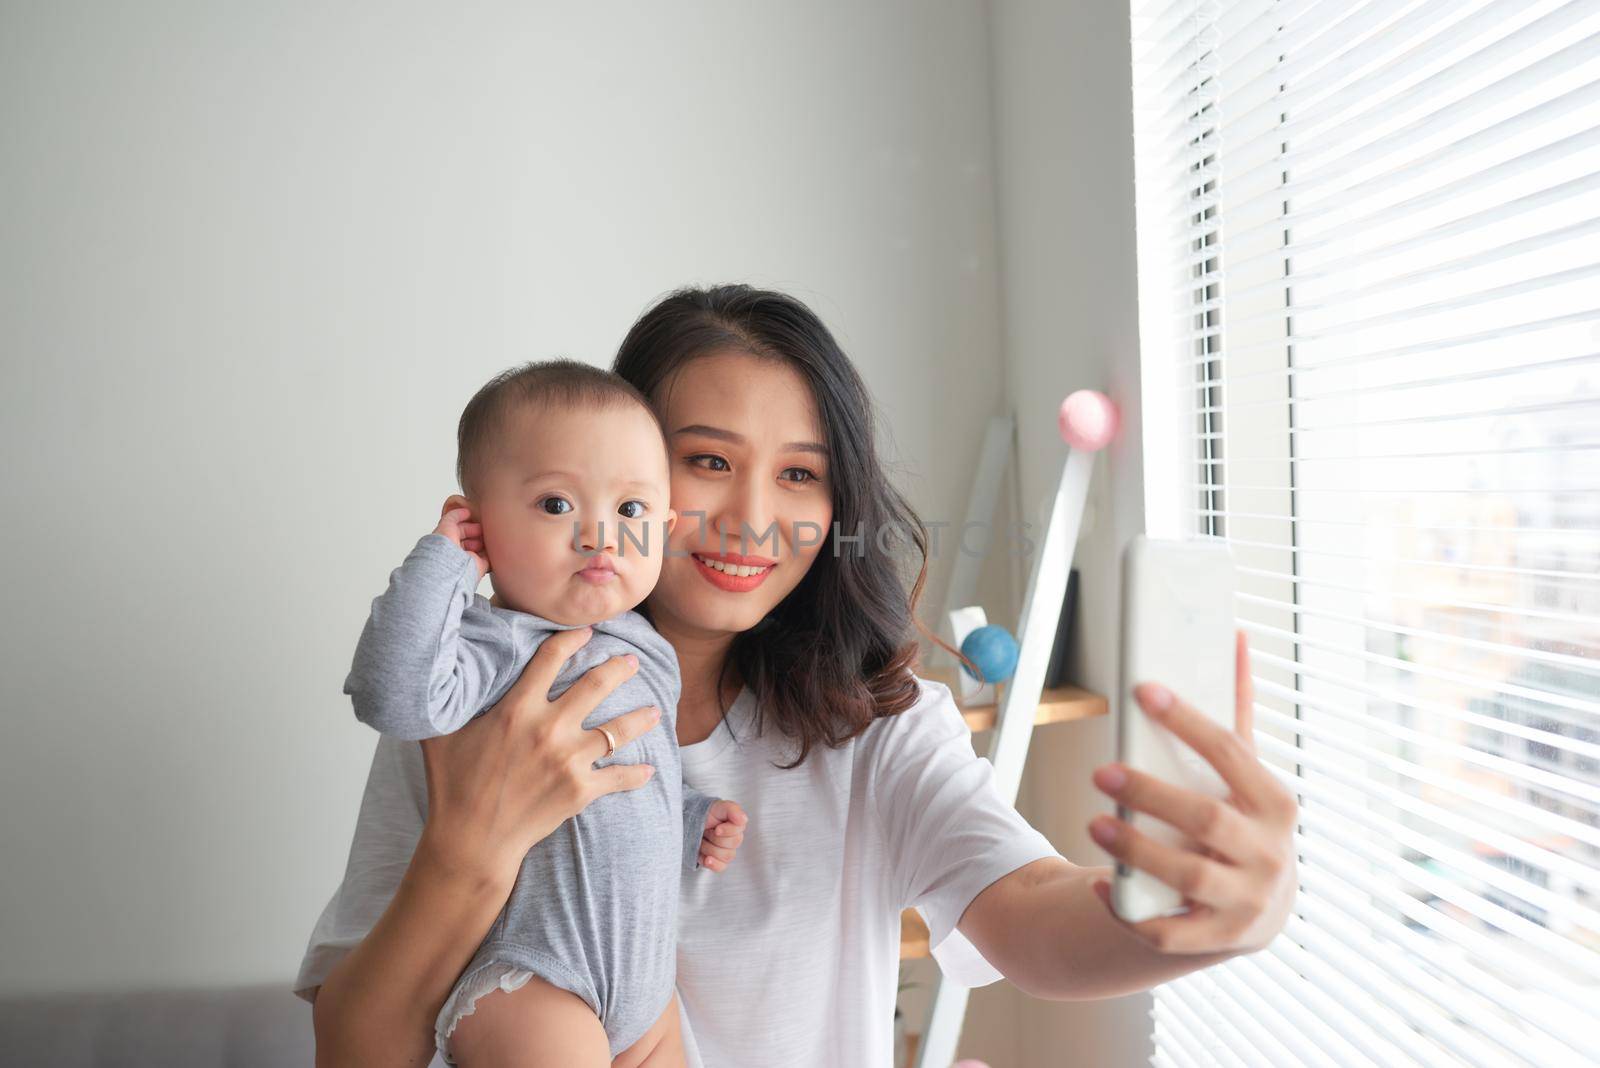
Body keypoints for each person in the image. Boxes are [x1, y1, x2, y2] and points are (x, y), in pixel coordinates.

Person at [299, 284, 1299, 1067]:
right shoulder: (477, 692)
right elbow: (355, 1050)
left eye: (799, 474)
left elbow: (1031, 911)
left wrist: (1192, 919)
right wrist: (478, 847)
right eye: (704, 461)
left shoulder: (882, 728)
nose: (750, 518)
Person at [333, 359, 748, 1065]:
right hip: (532, 982)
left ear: (666, 527)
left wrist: (689, 816)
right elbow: (391, 694)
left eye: (631, 510)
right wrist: (444, 565)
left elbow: (634, 777)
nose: (600, 536)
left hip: (646, 993)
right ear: (480, 525)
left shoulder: (647, 651)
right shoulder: (491, 644)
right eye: (557, 505)